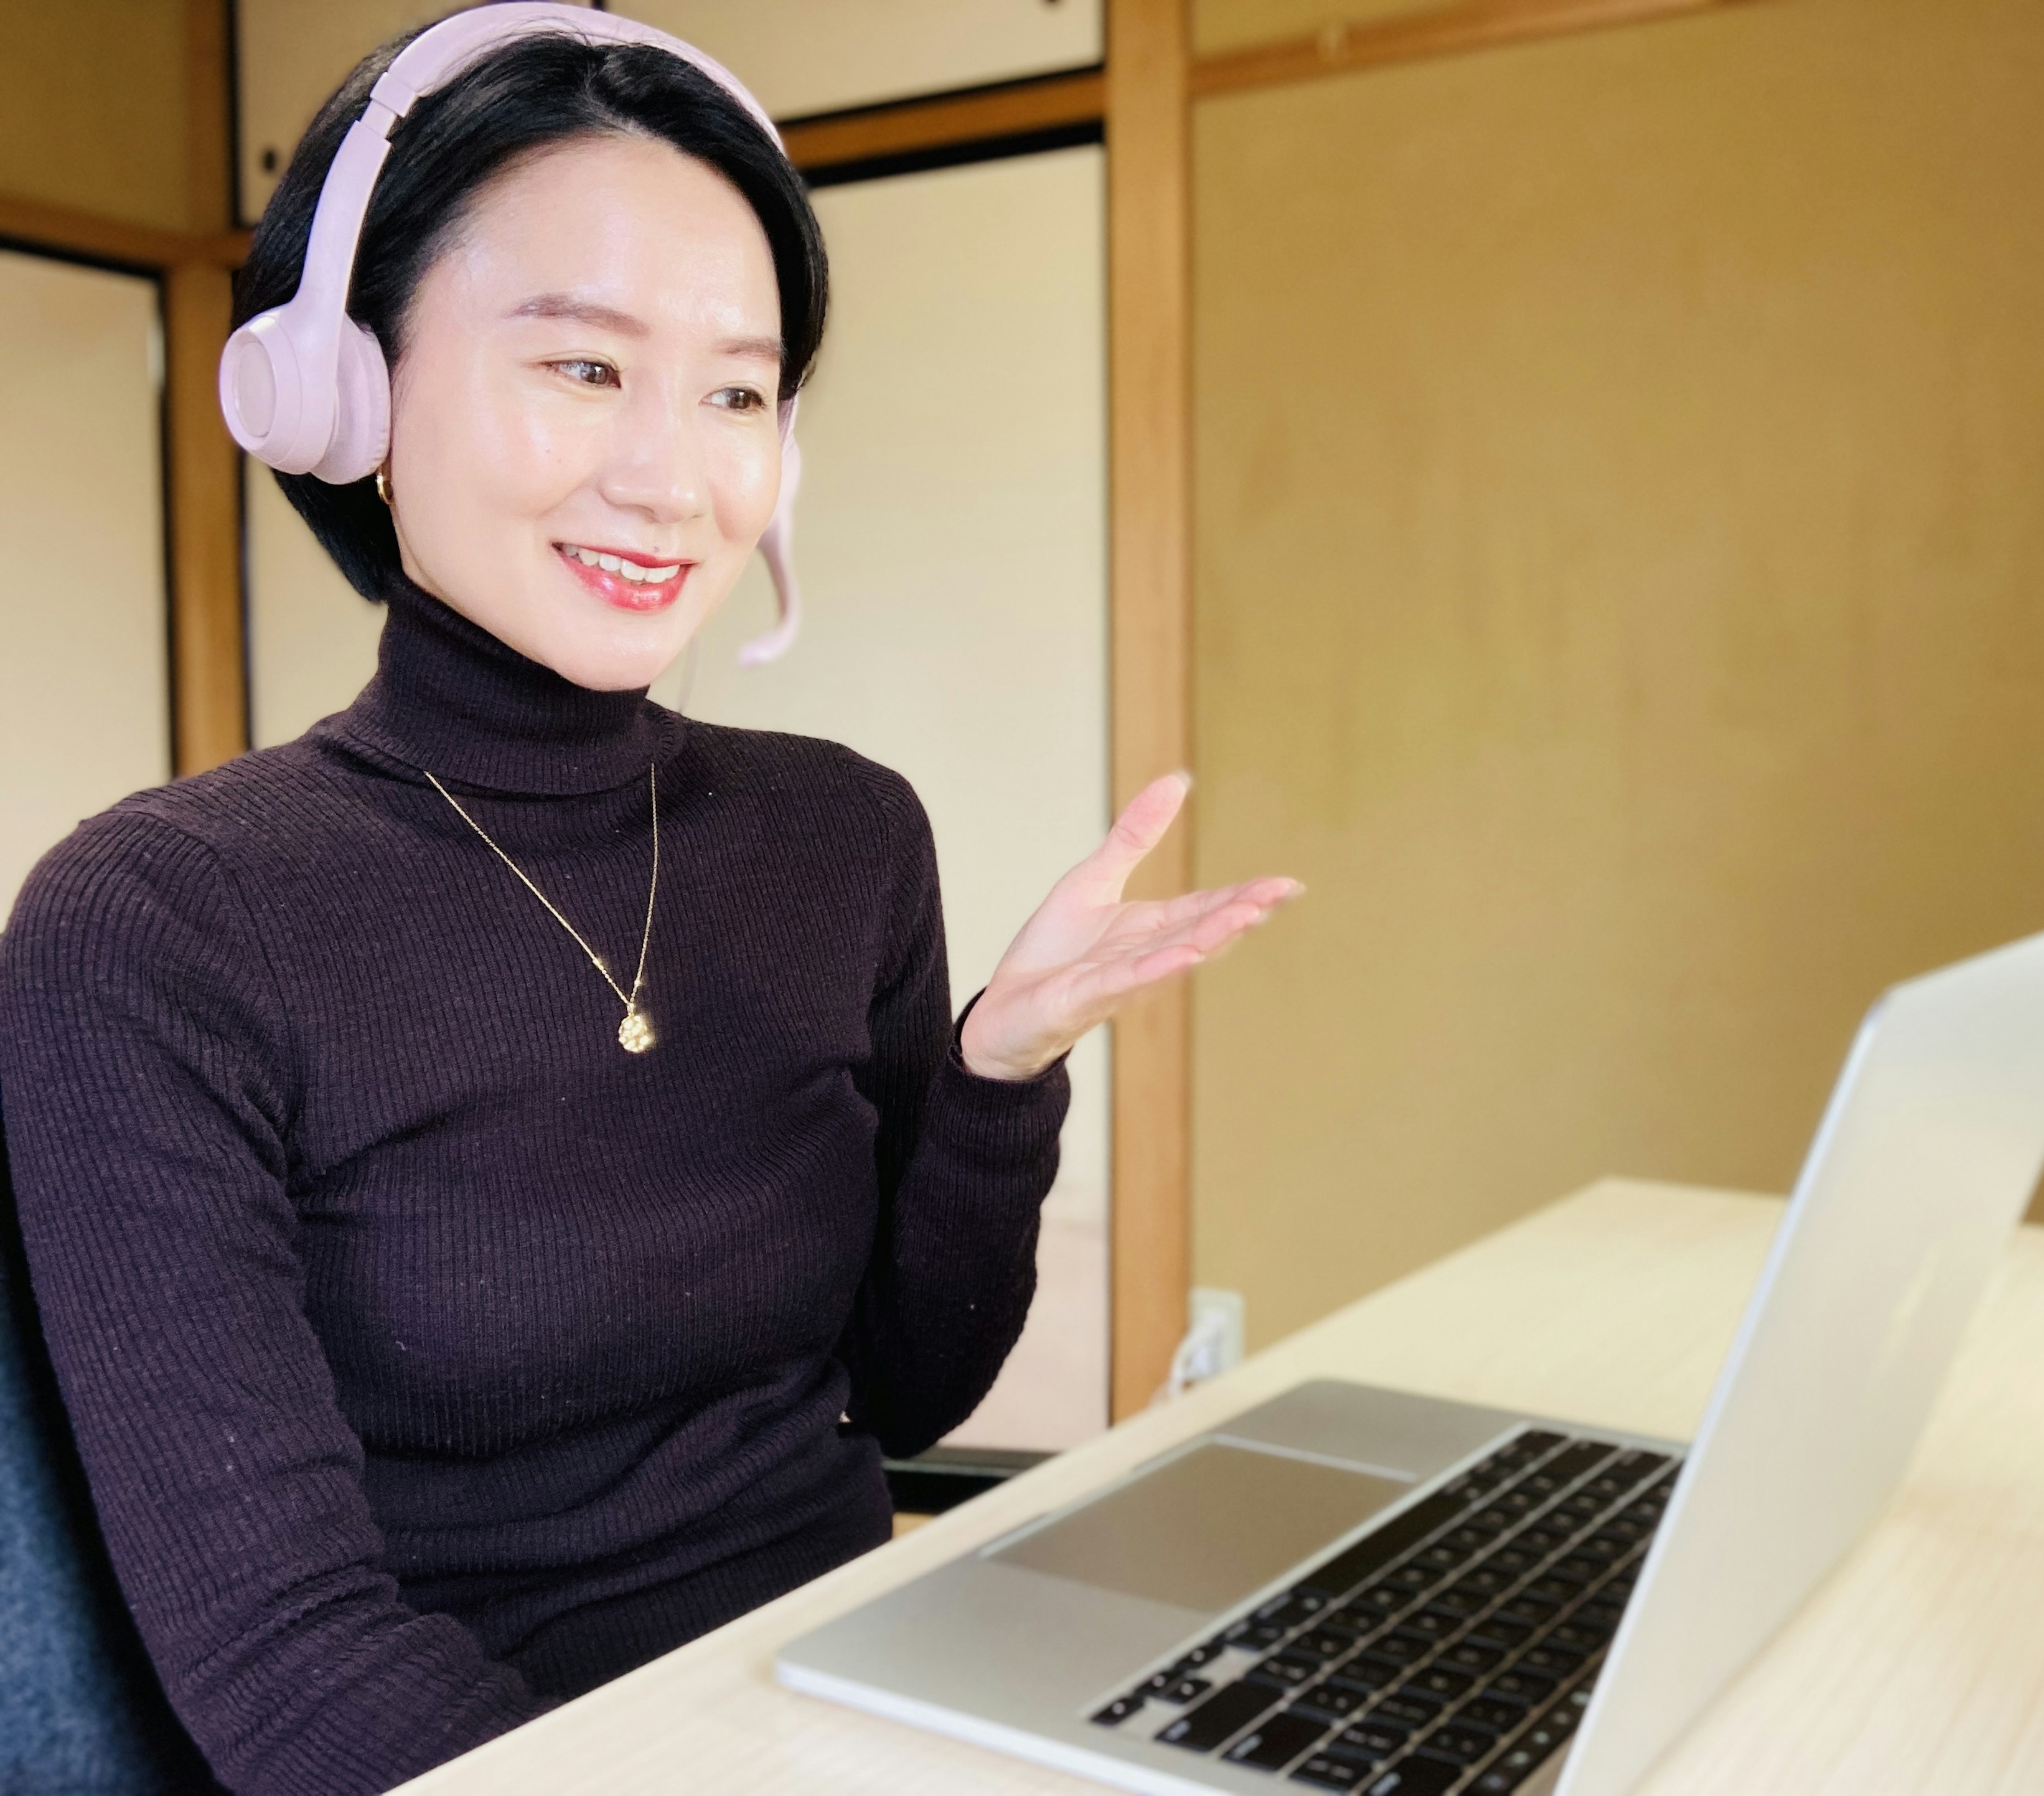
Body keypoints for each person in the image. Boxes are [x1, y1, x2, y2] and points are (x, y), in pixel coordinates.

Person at [0, 17, 1296, 1796]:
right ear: (348, 389)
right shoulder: (158, 926)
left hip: (866, 1715)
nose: (672, 477)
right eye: (585, 370)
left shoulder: (842, 835)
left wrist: (1000, 1082)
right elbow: (292, 1676)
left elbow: (907, 1404)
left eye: (738, 392)